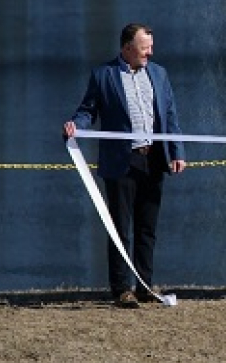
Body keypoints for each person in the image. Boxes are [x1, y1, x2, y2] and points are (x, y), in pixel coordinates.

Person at [63, 23, 186, 308]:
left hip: (154, 159)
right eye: (145, 49)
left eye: (151, 47)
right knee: (119, 227)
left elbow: (171, 116)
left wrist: (176, 151)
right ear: (127, 48)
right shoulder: (103, 75)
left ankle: (144, 285)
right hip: (122, 161)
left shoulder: (159, 74)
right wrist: (75, 126)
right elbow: (87, 111)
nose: (150, 53)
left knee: (147, 227)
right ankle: (122, 288)